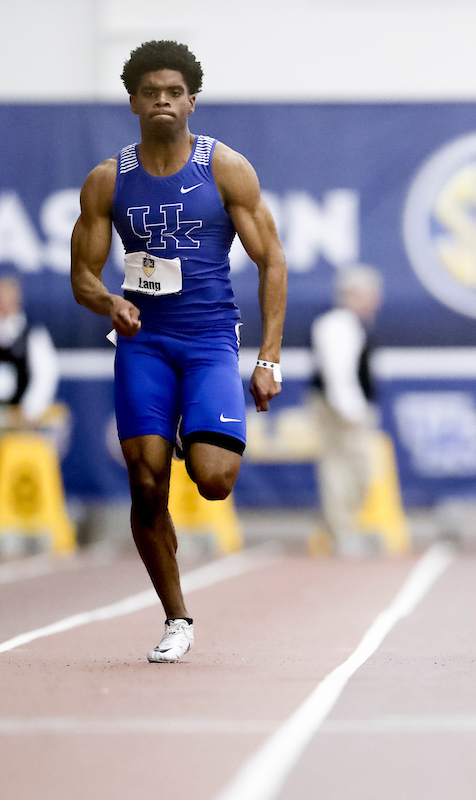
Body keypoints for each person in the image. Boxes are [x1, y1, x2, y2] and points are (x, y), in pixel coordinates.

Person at [70, 40, 287, 661]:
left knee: (215, 480)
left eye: (173, 92)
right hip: (143, 343)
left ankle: (198, 433)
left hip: (209, 341)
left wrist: (268, 358)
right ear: (134, 102)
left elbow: (272, 261)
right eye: (150, 93)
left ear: (191, 100)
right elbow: (82, 275)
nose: (162, 101)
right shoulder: (108, 180)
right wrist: (109, 301)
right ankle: (177, 617)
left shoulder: (225, 169)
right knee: (145, 481)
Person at [309, 265, 382, 553]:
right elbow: (338, 375)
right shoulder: (336, 325)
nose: (376, 301)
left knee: (354, 470)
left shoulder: (354, 325)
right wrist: (352, 412)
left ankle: (338, 526)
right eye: (371, 295)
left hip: (349, 408)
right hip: (337, 410)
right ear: (353, 294)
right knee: (339, 469)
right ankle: (340, 531)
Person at [0, 275, 59, 428]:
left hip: (22, 421)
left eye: (8, 298)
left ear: (17, 300)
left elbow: (46, 376)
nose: (4, 304)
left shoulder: (34, 334)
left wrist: (30, 410)